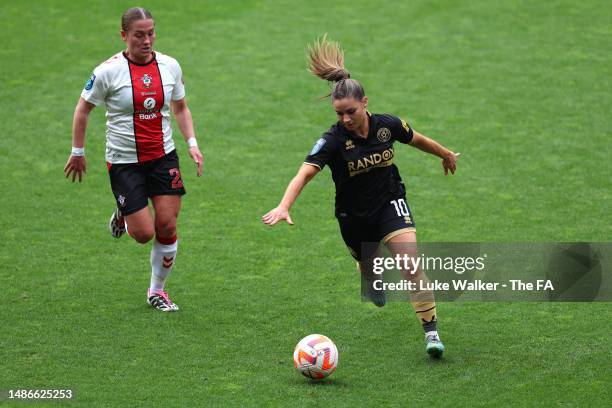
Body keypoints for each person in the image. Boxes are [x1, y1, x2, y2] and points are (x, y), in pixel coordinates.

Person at [262, 36, 459, 358]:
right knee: (368, 268)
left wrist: (445, 154)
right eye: (339, 114)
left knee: (410, 264)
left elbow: (417, 139)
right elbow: (305, 173)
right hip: (353, 217)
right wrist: (284, 205)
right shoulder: (332, 141)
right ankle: (370, 277)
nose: (345, 119)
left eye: (350, 112)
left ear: (364, 102)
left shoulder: (387, 126)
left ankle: (431, 333)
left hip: (390, 202)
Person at [64, 7, 203, 312]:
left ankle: (157, 291)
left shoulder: (169, 66)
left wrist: (192, 143)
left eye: (151, 33)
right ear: (124, 35)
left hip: (163, 157)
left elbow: (180, 108)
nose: (147, 40)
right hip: (124, 161)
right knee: (143, 234)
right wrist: (78, 152)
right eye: (139, 35)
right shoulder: (107, 72)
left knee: (167, 224)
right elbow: (82, 110)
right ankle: (123, 213)